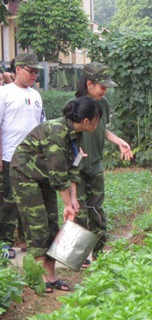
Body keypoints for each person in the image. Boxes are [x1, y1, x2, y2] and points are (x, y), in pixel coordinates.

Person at [10, 97, 102, 292]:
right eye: (97, 119)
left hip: (44, 178)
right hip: (25, 175)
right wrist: (68, 205)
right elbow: (59, 176)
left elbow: (73, 168)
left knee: (52, 224)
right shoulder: (57, 132)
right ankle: (38, 277)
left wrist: (74, 200)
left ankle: (51, 277)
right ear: (86, 121)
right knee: (38, 224)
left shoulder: (76, 135)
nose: (98, 124)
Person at [72, 62, 133, 266]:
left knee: (96, 211)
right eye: (102, 86)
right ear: (89, 84)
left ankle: (98, 252)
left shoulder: (103, 104)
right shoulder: (75, 105)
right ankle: (78, 256)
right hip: (77, 168)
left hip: (95, 165)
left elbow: (102, 130)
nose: (105, 91)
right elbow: (67, 135)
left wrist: (119, 142)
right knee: (78, 212)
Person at [0, 53, 44, 259]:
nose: (34, 75)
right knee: (8, 201)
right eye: (30, 71)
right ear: (18, 69)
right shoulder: (5, 93)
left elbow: (41, 126)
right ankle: (4, 242)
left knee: (29, 200)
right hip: (10, 156)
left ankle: (26, 239)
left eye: (36, 72)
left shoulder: (36, 95)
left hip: (32, 158)